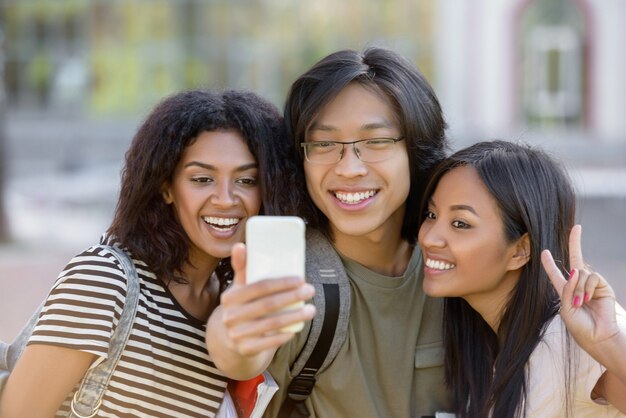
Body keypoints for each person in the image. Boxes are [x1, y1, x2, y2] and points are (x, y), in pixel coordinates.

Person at [0, 89, 313, 417]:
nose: (225, 198)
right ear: (166, 187)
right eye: (202, 179)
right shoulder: (103, 280)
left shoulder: (228, 303)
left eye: (247, 180)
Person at [207, 47, 453, 417]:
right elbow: (240, 352)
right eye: (323, 144)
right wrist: (235, 334)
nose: (349, 168)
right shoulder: (292, 276)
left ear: (415, 150)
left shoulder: (453, 266)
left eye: (375, 141)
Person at [417, 139, 626, 417]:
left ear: (520, 250)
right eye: (431, 214)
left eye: (460, 224)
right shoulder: (493, 344)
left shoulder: (573, 338)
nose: (428, 237)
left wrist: (611, 344)